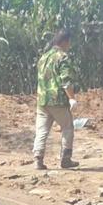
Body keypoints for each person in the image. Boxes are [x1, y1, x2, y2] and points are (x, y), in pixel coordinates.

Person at [33, 29, 79, 171]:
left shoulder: (43, 57)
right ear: (65, 42)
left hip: (42, 100)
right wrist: (72, 98)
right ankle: (66, 159)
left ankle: (38, 159)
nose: (69, 45)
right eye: (69, 42)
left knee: (41, 131)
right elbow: (66, 81)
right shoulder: (62, 57)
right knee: (67, 127)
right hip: (57, 101)